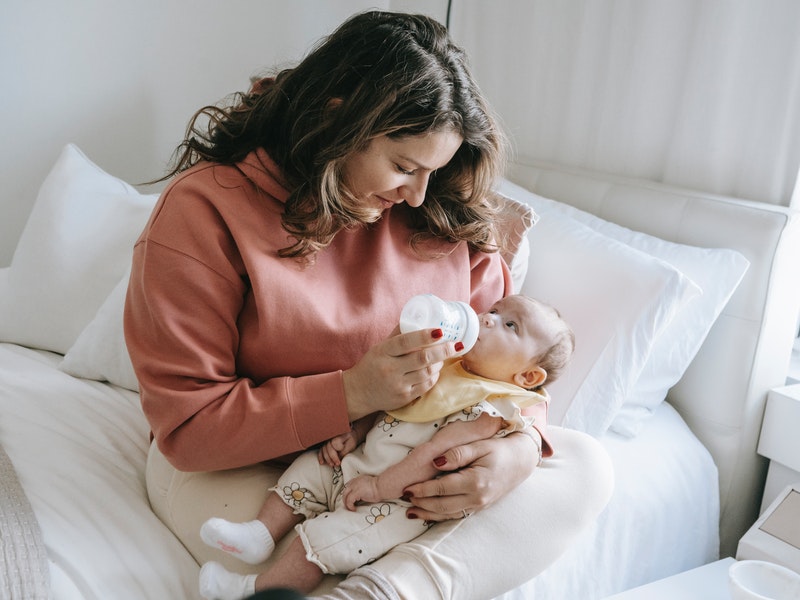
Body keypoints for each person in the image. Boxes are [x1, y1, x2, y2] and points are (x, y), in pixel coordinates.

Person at [123, 9, 613, 600]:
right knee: (314, 549)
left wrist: (521, 448)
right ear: (339, 118)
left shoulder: (439, 211)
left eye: (433, 171)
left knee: (584, 465)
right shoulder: (205, 211)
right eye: (404, 166)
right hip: (240, 468)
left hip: (394, 460)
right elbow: (190, 427)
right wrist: (353, 393)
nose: (418, 193)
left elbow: (508, 378)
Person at [198, 295, 575, 599]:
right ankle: (259, 534)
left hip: (393, 502)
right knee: (308, 471)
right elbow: (390, 400)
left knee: (319, 544)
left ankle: (251, 591)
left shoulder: (490, 408)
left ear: (527, 377)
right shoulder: (446, 361)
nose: (488, 318)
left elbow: (432, 456)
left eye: (510, 325)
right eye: (493, 310)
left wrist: (380, 488)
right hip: (358, 463)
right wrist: (355, 431)